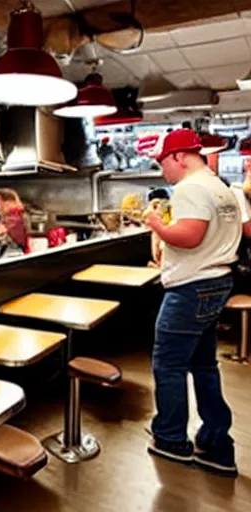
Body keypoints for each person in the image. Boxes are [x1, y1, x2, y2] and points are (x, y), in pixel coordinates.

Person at [144, 129, 241, 477]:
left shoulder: (189, 188)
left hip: (190, 289)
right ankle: (217, 442)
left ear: (179, 157)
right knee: (203, 365)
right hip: (216, 282)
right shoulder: (222, 188)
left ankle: (171, 438)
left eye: (163, 163)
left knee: (168, 365)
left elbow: (190, 236)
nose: (163, 172)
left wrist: (156, 224)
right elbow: (232, 232)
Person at [0, 189, 29, 253]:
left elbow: (18, 241)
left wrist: (0, 231)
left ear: (7, 203)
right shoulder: (16, 216)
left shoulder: (15, 219)